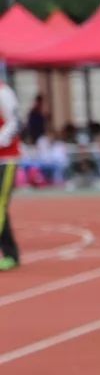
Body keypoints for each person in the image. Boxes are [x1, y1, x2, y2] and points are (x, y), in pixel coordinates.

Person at [0, 79, 21, 271]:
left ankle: (10, 254)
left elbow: (14, 123)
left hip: (6, 160)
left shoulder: (3, 92)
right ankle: (10, 253)